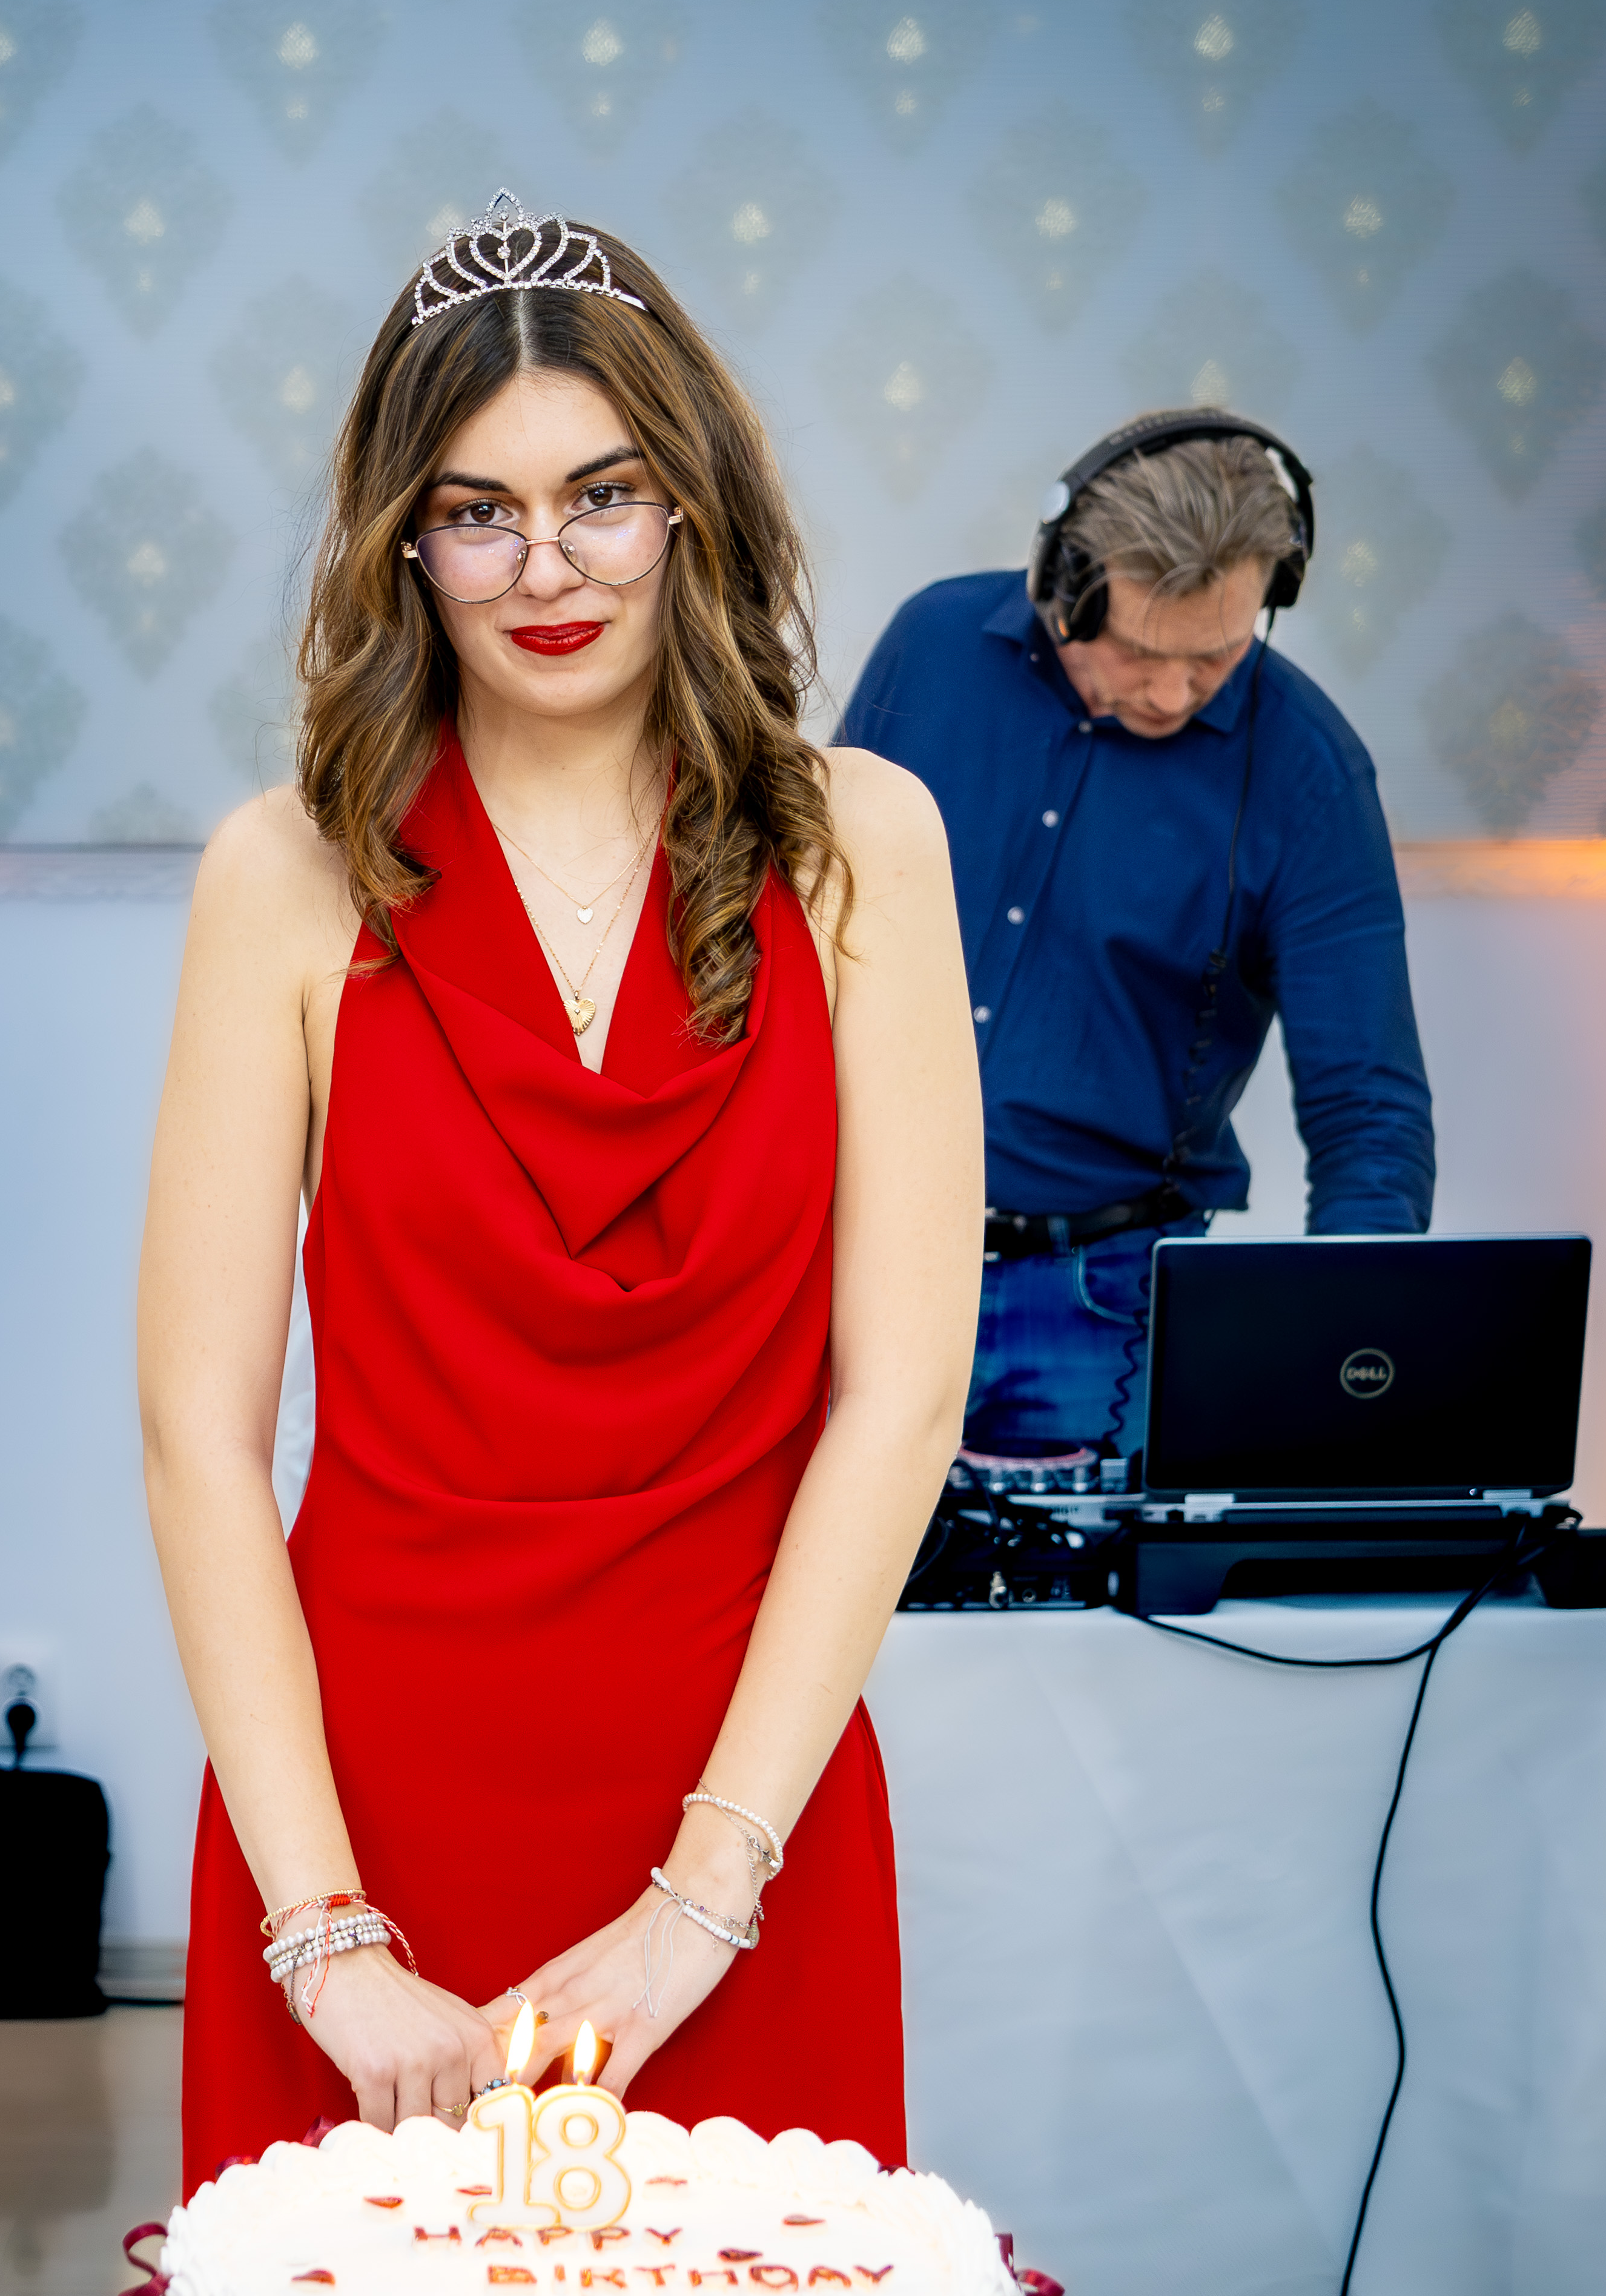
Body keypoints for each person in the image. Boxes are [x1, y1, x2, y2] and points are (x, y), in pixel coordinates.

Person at [138, 198, 977, 2185]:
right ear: (401, 545)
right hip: (363, 1834)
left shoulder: (864, 844)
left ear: (690, 502)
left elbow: (902, 1401)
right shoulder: (285, 875)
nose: (545, 569)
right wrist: (325, 1934)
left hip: (745, 1823)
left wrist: (704, 1899)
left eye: (601, 496)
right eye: (477, 513)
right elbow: (195, 1438)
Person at [839, 412, 1435, 1464]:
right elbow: (804, 920)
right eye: (1141, 652)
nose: (1172, 693)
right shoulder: (932, 646)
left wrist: (1349, 1370)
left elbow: (1368, 1113)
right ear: (1067, 582)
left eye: (1216, 657)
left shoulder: (1309, 771)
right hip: (847, 1265)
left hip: (1103, 1309)